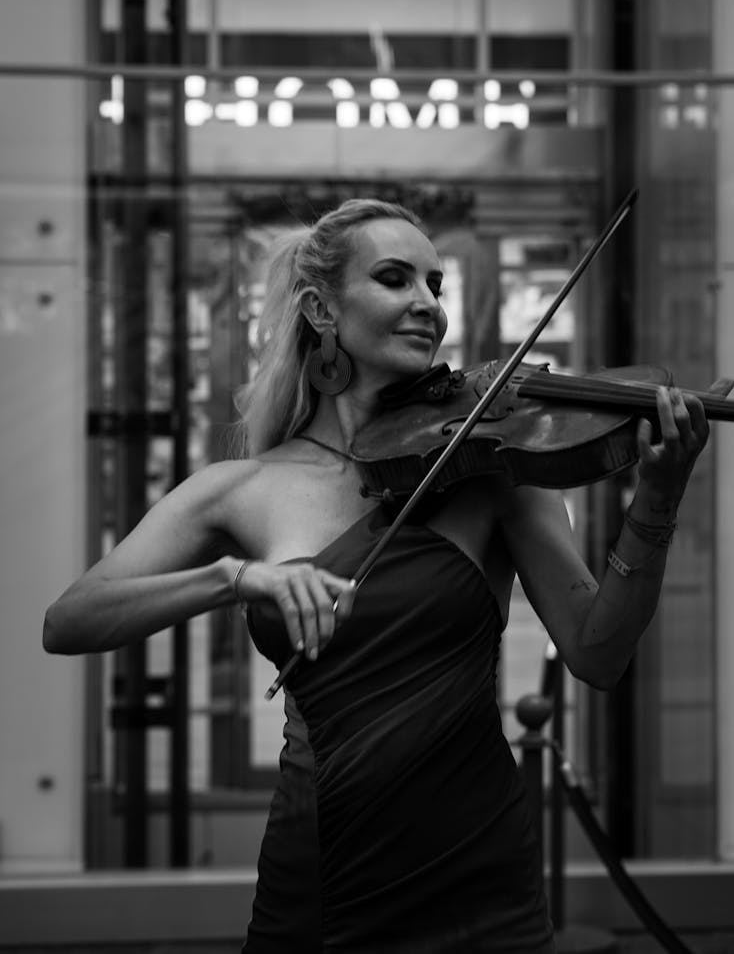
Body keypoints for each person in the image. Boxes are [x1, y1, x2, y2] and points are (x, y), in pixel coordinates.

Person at [43, 197, 711, 953]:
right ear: (320, 308)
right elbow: (69, 619)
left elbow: (598, 651)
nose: (427, 304)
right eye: (396, 280)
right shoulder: (242, 488)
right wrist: (233, 579)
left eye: (436, 285)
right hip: (322, 877)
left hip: (479, 882)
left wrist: (657, 499)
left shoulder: (490, 467)